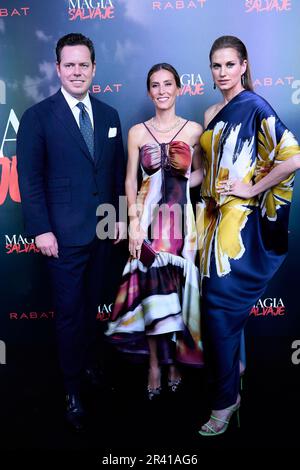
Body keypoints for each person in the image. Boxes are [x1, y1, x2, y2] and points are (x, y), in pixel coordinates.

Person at [16, 33, 126, 432]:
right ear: (58, 68)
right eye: (70, 64)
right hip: (60, 238)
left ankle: (91, 367)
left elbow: (115, 175)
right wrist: (41, 230)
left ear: (94, 69)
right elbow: (29, 180)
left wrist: (118, 218)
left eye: (84, 65)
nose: (77, 71)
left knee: (94, 309)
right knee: (68, 315)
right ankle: (72, 389)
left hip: (102, 233)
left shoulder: (110, 115)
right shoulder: (38, 117)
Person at [197, 35, 300, 436]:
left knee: (219, 309)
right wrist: (175, 177)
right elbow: (208, 171)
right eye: (216, 66)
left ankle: (224, 402)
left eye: (229, 65)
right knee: (216, 305)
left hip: (236, 224)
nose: (222, 73)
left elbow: (292, 156)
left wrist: (252, 188)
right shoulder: (210, 112)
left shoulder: (255, 105)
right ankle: (235, 369)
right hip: (208, 220)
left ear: (243, 66)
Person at [105, 63, 204, 399]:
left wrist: (183, 178)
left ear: (179, 88)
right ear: (149, 92)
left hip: (181, 223)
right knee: (150, 294)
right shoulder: (136, 132)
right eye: (155, 86)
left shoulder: (194, 130)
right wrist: (133, 222)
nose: (162, 91)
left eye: (168, 84)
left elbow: (200, 173)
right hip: (147, 225)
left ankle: (175, 362)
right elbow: (130, 180)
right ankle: (153, 365)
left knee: (176, 293)